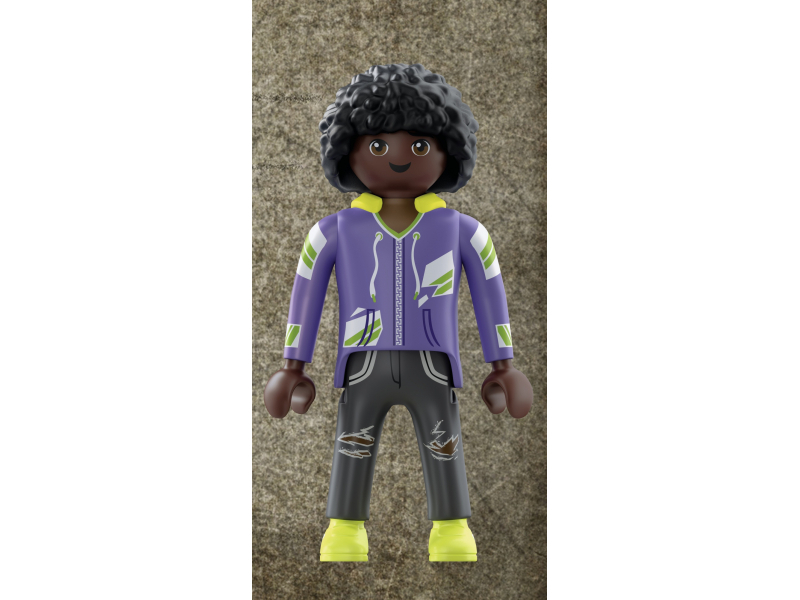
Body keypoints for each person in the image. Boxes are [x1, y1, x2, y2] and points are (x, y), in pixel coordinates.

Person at [264, 63, 534, 562]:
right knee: (352, 441)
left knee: (443, 441)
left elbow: (491, 293)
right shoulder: (332, 231)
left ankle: (451, 528)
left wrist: (503, 364)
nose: (399, 157)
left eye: (420, 145)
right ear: (348, 150)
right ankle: (345, 529)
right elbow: (306, 293)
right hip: (362, 361)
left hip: (432, 362)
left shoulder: (464, 231)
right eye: (377, 145)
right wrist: (292, 364)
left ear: (448, 151)